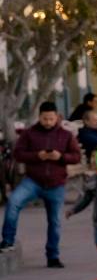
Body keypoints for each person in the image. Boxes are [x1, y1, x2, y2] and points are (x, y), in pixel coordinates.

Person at [3, 102, 80, 267]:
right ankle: (7, 241)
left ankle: (53, 256)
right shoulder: (29, 134)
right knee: (13, 202)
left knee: (55, 222)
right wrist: (37, 156)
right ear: (39, 117)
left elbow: (76, 156)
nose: (48, 122)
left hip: (56, 184)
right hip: (33, 181)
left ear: (57, 117)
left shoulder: (66, 135)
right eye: (44, 119)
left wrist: (60, 157)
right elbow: (18, 154)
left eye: (51, 119)